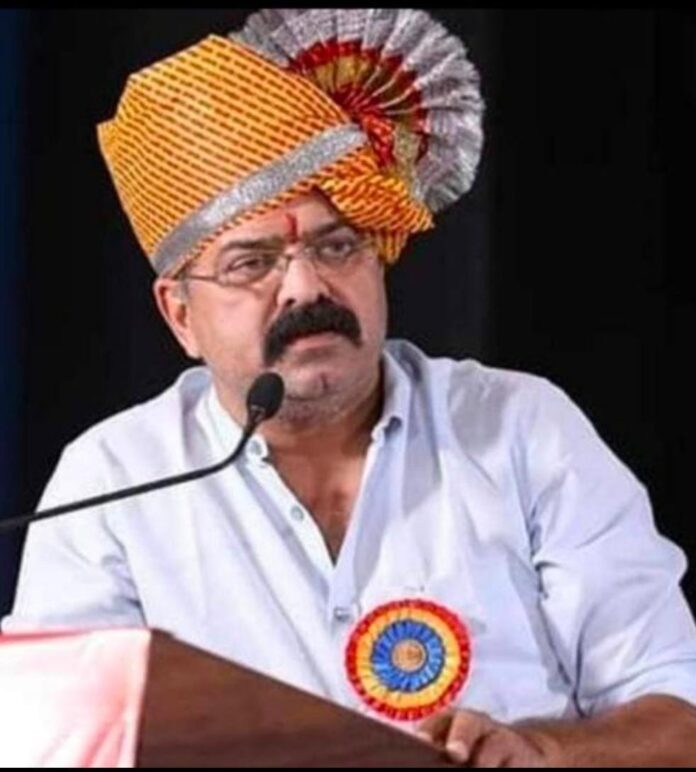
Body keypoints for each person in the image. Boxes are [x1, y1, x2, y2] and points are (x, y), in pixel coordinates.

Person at [4, 8, 696, 766]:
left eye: (338, 246)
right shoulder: (113, 480)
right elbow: (54, 745)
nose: (306, 286)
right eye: (251, 264)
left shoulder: (520, 428)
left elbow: (679, 714)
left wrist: (542, 752)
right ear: (180, 316)